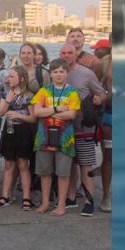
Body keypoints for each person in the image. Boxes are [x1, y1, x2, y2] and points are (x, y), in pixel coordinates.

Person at [60, 42, 108, 216]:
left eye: (69, 53)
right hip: (64, 127)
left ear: (75, 55)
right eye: (63, 52)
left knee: (85, 163)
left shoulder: (86, 74)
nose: (66, 55)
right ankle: (71, 197)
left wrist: (98, 100)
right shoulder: (58, 73)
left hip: (84, 126)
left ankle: (89, 200)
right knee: (69, 163)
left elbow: (102, 92)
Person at [32, 59, 80, 216]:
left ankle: (61, 205)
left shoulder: (73, 92)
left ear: (67, 73)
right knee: (45, 172)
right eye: (55, 72)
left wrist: (48, 110)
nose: (59, 74)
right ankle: (46, 202)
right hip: (44, 138)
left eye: (62, 71)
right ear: (50, 74)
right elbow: (37, 112)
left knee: (63, 173)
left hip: (65, 139)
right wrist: (58, 107)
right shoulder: (44, 91)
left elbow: (71, 114)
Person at [0, 64, 36, 209]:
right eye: (8, 76)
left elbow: (33, 118)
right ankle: (5, 195)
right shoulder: (7, 93)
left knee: (23, 164)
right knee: (8, 164)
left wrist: (18, 115)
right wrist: (8, 100)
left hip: (23, 131)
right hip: (9, 130)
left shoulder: (28, 95)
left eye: (12, 76)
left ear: (21, 78)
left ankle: (26, 197)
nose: (8, 79)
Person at [98, 52, 112, 213]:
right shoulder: (104, 62)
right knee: (108, 157)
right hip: (110, 113)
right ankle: (106, 195)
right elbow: (95, 86)